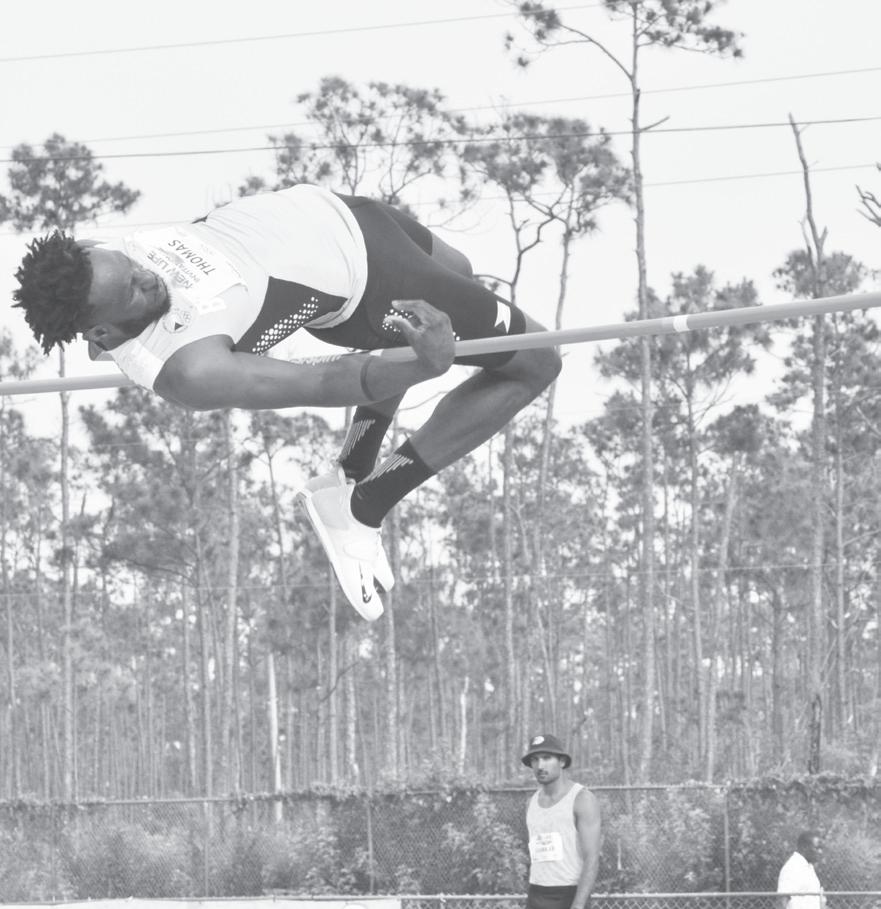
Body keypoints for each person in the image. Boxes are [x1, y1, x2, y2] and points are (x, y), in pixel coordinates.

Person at [12, 184, 561, 621]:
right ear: (103, 330)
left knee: (460, 268)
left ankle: (352, 471)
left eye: (132, 266)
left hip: (343, 211)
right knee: (538, 362)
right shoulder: (189, 366)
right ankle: (365, 505)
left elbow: (77, 275)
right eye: (134, 291)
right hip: (372, 282)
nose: (148, 277)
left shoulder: (87, 263)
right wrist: (425, 365)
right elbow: (323, 383)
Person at [522, 733, 601, 909]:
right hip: (536, 894)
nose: (540, 765)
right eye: (535, 760)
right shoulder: (531, 803)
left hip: (570, 895)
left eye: (546, 758)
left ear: (562, 762)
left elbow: (592, 858)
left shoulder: (582, 799)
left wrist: (578, 905)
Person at [777, 831, 826, 909]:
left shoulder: (808, 867)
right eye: (817, 848)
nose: (820, 852)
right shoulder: (792, 867)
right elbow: (782, 902)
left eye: (821, 848)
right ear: (804, 847)